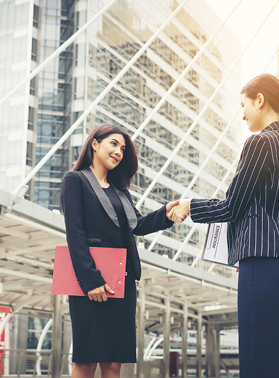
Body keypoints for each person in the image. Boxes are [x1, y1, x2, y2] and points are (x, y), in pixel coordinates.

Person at [170, 73, 279, 378]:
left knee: (259, 360)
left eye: (244, 105)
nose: (243, 113)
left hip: (263, 267)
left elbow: (232, 206)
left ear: (260, 100)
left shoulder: (260, 143)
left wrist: (190, 206)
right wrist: (271, 243)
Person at [60, 124, 183, 378]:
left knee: (114, 363)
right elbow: (75, 234)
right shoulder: (76, 181)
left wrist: (167, 213)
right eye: (113, 144)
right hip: (91, 284)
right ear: (95, 144)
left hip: (121, 283)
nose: (118, 152)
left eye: (123, 149)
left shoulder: (121, 192)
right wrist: (91, 280)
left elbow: (137, 225)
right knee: (86, 361)